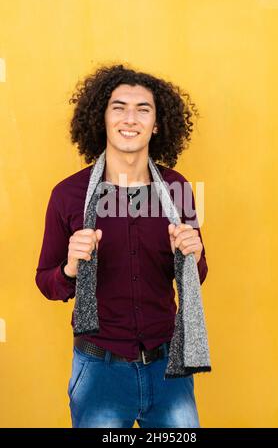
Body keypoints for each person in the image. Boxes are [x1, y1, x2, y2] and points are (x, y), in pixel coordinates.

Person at [35, 63, 208, 428]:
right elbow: (45, 282)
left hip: (168, 371)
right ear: (102, 118)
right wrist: (70, 268)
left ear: (157, 124)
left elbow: (196, 276)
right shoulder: (68, 195)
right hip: (99, 371)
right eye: (119, 107)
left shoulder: (176, 190)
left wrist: (194, 255)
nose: (130, 118)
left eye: (143, 109)